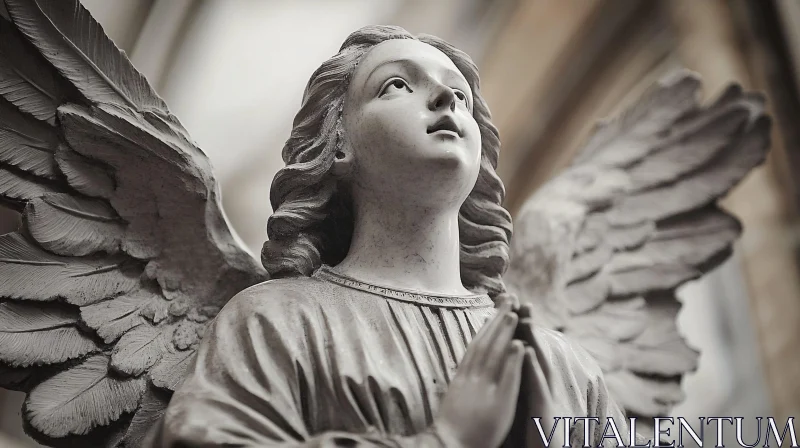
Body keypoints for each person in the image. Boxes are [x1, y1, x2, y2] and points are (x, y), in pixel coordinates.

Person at [153, 25, 630, 448]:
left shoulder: (563, 365)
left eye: (459, 96)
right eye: (398, 85)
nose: (446, 101)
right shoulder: (276, 321)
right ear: (337, 141)